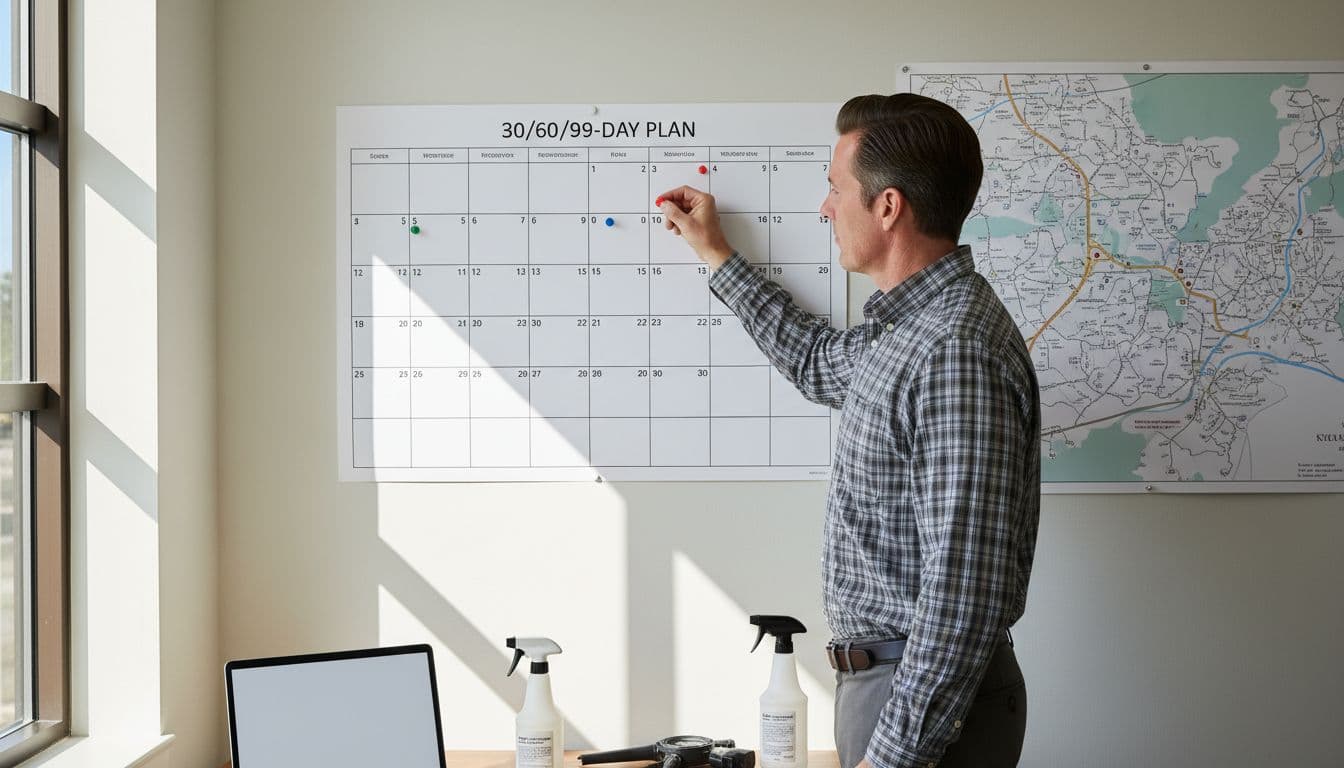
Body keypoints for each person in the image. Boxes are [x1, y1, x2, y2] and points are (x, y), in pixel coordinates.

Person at [657, 94, 1041, 768]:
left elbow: (962, 595)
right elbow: (815, 362)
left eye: (836, 189)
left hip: (920, 704)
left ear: (887, 207)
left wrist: (888, 758)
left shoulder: (953, 350)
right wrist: (717, 253)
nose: (825, 208)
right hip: (893, 690)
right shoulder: (909, 331)